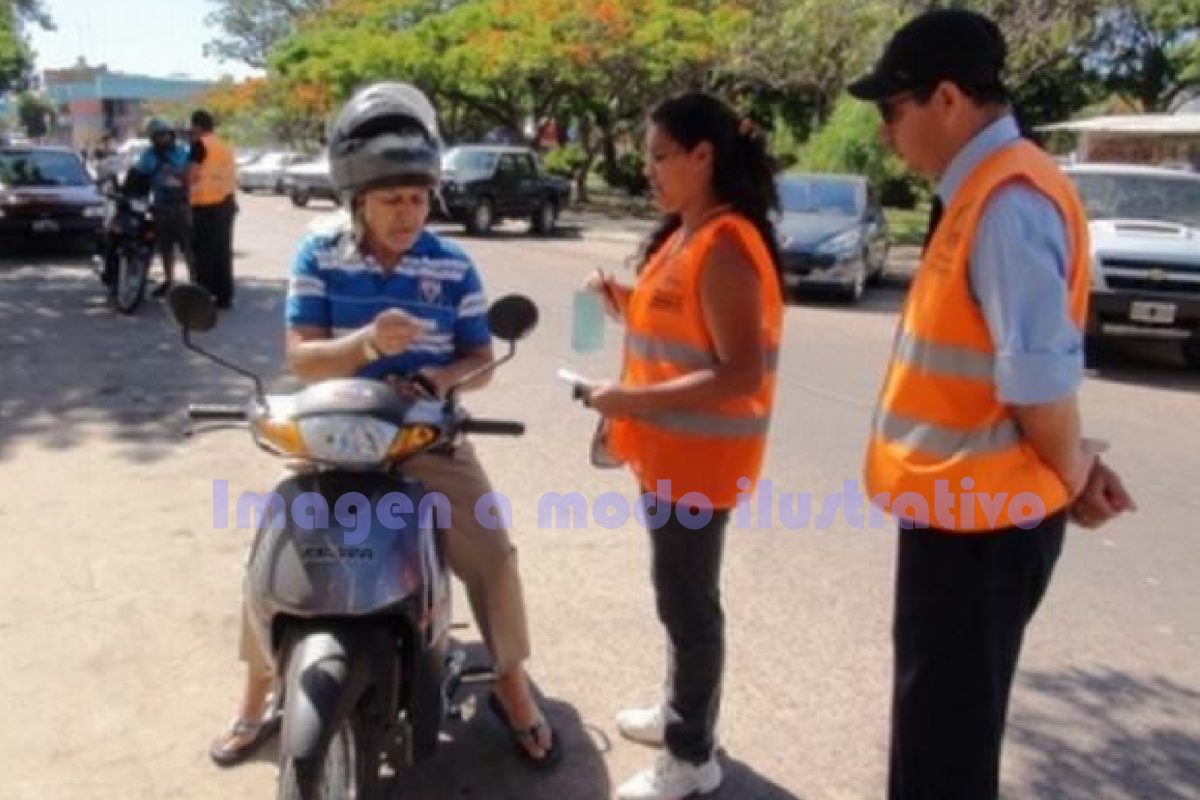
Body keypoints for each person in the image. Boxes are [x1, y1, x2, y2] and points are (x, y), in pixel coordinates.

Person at [208, 81, 561, 771]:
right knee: (271, 553)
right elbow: (302, 356)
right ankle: (256, 697)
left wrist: (439, 379)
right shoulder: (318, 257)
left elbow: (480, 356)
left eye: (418, 198)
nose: (408, 214)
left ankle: (511, 687)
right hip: (332, 437)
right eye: (392, 200)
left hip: (425, 438)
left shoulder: (452, 264)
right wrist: (367, 344)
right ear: (358, 200)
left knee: (491, 552)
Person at [847, 9, 1137, 800]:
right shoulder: (985, 191)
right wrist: (1076, 466)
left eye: (891, 110)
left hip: (980, 533)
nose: (885, 134)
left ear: (946, 99)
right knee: (939, 728)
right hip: (967, 519)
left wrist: (1072, 470)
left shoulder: (1005, 201)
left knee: (944, 751)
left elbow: (1041, 385)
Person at [581, 93, 783, 800]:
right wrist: (625, 300)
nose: (650, 170)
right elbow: (678, 317)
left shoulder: (728, 244)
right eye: (648, 157)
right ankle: (679, 716)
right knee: (678, 599)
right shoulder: (686, 233)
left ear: (705, 156)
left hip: (700, 465)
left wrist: (627, 401)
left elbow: (739, 371)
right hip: (667, 457)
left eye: (660, 155)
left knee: (690, 608)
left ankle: (692, 756)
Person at [129, 119, 193, 297]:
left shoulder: (183, 152)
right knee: (165, 247)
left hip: (182, 206)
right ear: (153, 138)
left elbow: (193, 173)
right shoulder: (148, 155)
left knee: (188, 246)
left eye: (166, 134)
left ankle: (194, 281)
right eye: (159, 135)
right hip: (161, 206)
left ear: (171, 135)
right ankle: (169, 280)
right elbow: (139, 173)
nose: (163, 138)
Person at [188, 109, 237, 308]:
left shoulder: (199, 145)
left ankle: (203, 296)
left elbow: (192, 175)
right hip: (227, 203)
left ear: (197, 126)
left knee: (204, 254)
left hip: (206, 206)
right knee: (222, 253)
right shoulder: (224, 146)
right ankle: (224, 296)